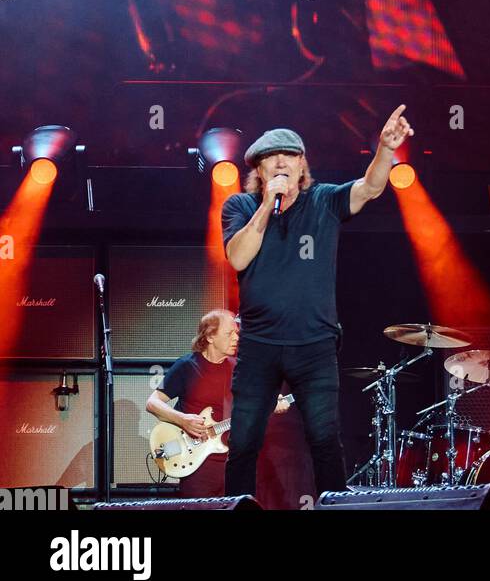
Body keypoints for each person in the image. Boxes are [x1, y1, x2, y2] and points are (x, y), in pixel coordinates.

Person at [221, 104, 412, 501]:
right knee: (242, 445)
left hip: (315, 345)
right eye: (271, 159)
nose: (281, 164)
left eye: (290, 157)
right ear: (258, 170)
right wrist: (264, 209)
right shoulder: (240, 207)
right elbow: (238, 257)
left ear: (302, 164)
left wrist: (384, 150)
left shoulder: (323, 201)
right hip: (258, 345)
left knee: (325, 441)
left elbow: (370, 188)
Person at [146, 308, 289, 498]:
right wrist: (182, 420)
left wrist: (273, 403)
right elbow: (153, 403)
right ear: (210, 336)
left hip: (233, 462)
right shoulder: (187, 366)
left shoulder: (239, 368)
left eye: (237, 333)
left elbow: (259, 400)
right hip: (198, 463)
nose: (236, 338)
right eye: (229, 333)